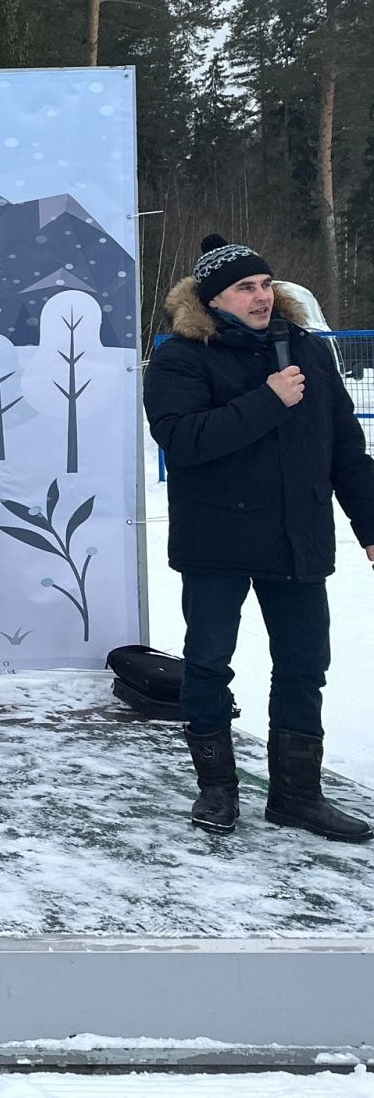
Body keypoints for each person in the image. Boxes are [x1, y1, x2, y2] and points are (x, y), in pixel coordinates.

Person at [144, 234, 374, 842]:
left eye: (267, 284)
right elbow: (183, 440)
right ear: (213, 298)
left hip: (297, 538)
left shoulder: (307, 350)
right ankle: (217, 791)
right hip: (216, 540)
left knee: (304, 667)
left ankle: (297, 795)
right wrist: (268, 402)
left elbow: (345, 448)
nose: (261, 296)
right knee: (208, 664)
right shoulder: (181, 356)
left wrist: (370, 524)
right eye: (246, 287)